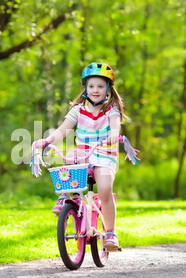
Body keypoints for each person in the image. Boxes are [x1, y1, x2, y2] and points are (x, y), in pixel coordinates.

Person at [34, 62, 127, 250]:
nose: (95, 90)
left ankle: (110, 233)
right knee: (70, 156)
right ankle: (70, 197)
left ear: (108, 88)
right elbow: (62, 130)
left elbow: (115, 127)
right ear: (85, 87)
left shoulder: (111, 110)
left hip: (104, 154)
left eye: (100, 86)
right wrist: (48, 140)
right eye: (91, 86)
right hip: (84, 154)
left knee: (104, 189)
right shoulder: (78, 110)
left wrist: (113, 135)